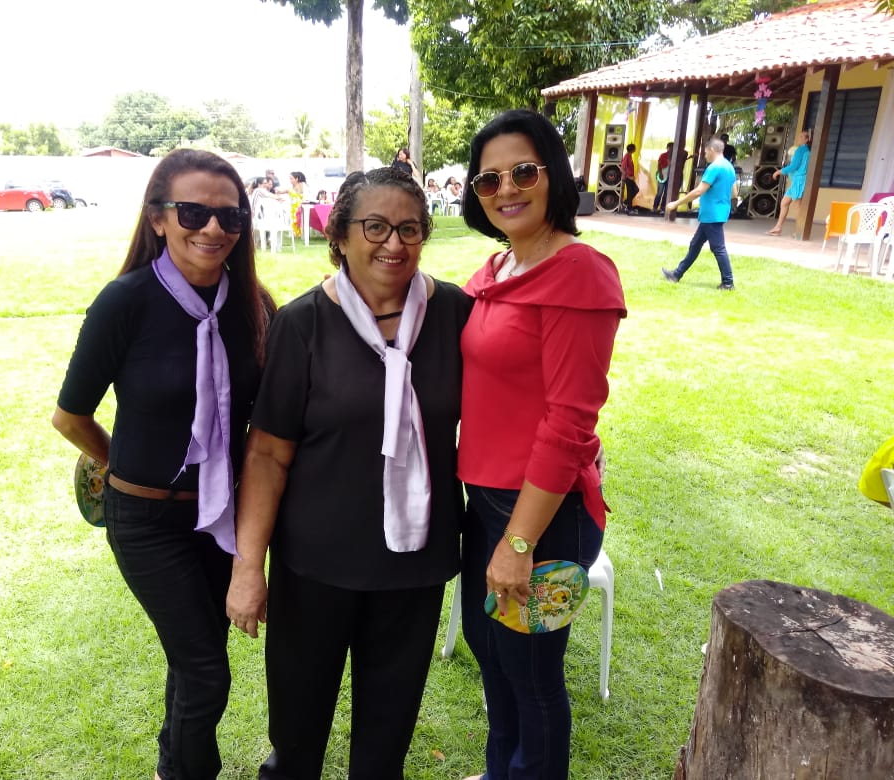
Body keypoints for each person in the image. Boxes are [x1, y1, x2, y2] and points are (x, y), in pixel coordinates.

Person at [226, 166, 471, 780]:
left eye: (410, 229)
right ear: (339, 235)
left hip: (414, 563)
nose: (394, 243)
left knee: (386, 740)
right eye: (376, 227)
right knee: (297, 730)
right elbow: (267, 455)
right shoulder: (303, 323)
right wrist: (248, 567)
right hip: (315, 565)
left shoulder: (455, 314)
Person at [52, 149, 274, 780]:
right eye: (194, 212)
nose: (213, 228)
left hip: (222, 516)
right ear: (158, 218)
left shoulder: (254, 306)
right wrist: (126, 470)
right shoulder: (125, 303)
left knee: (192, 656)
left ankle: (170, 766)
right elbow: (70, 416)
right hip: (147, 523)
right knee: (206, 670)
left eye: (230, 216)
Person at [458, 109, 626, 780]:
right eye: (489, 179)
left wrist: (519, 543)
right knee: (490, 652)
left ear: (553, 174)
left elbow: (568, 425)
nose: (506, 189)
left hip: (542, 516)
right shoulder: (499, 267)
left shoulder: (580, 272)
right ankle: (500, 771)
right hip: (485, 501)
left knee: (530, 675)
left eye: (523, 172)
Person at [662, 137, 738, 290]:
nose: (705, 155)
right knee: (695, 244)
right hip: (718, 212)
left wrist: (676, 203)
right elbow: (734, 193)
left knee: (718, 248)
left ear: (712, 150)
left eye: (705, 152)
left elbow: (699, 191)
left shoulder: (714, 167)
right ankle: (676, 274)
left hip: (712, 214)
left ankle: (728, 282)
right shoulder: (729, 167)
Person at [767, 129, 812, 236]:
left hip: (799, 182)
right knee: (784, 203)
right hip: (797, 181)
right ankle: (778, 228)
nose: (799, 139)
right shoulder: (806, 151)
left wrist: (778, 172)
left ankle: (800, 231)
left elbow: (794, 166)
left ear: (807, 139)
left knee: (798, 206)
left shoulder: (801, 150)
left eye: (801, 137)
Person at [653, 142, 674, 213]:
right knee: (659, 192)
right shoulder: (663, 155)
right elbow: (659, 165)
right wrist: (660, 173)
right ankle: (655, 207)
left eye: (673, 147)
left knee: (666, 193)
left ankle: (662, 208)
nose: (671, 149)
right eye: (670, 147)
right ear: (667, 148)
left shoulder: (674, 156)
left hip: (669, 177)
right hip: (662, 175)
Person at [288, 171, 309, 237]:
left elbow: (299, 196)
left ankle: (297, 232)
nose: (290, 180)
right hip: (295, 205)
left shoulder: (301, 185)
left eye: (291, 178)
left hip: (300, 205)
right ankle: (296, 232)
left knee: (295, 213)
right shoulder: (294, 186)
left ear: (297, 179)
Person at [620, 142, 639, 214]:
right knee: (630, 193)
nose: (635, 149)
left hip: (630, 177)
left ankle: (626, 203)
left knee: (636, 190)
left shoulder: (630, 156)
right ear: (632, 149)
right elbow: (622, 168)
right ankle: (629, 208)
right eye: (634, 148)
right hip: (628, 178)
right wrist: (628, 177)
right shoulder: (627, 156)